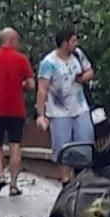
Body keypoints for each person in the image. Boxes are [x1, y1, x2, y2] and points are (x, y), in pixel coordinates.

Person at [36, 26, 95, 182]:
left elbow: (90, 71)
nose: (76, 43)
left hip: (80, 107)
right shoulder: (49, 63)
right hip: (59, 111)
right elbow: (42, 89)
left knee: (85, 143)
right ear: (64, 43)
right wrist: (41, 115)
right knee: (63, 148)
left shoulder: (78, 55)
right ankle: (65, 180)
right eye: (73, 41)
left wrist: (82, 78)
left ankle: (82, 178)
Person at [0, 28, 35, 196]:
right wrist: (22, 86)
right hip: (16, 109)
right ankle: (13, 185)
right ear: (12, 40)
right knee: (15, 145)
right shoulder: (22, 59)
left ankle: (0, 174)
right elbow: (32, 85)